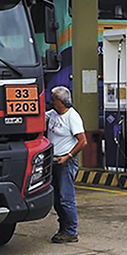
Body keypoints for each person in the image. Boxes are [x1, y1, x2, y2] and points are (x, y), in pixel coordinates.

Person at [45, 86, 85, 244]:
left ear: (61, 101)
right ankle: (63, 228)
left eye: (53, 98)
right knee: (57, 198)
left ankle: (70, 231)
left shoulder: (72, 117)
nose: (51, 101)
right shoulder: (53, 114)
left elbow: (83, 141)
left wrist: (68, 156)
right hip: (53, 160)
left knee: (65, 198)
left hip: (65, 161)